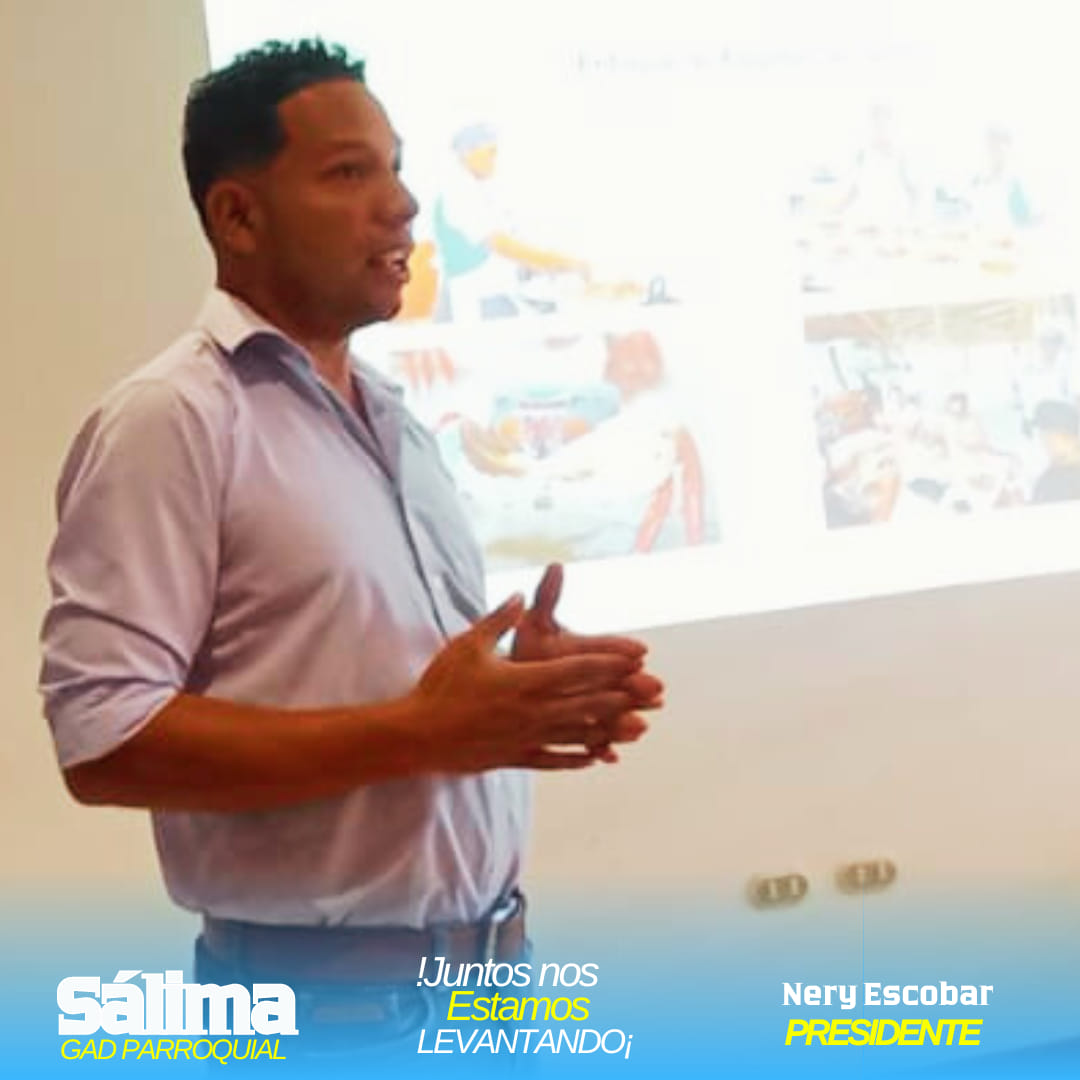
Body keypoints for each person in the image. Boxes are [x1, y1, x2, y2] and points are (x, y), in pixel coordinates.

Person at [38, 39, 662, 1059]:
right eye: (348, 173)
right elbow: (104, 739)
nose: (403, 206)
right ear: (237, 216)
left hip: (495, 989)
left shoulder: (393, 417)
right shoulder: (172, 420)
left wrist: (514, 685)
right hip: (328, 1023)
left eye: (397, 168)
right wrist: (422, 732)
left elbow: (360, 668)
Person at [432, 122, 589, 321]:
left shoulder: (484, 191)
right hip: (472, 299)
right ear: (467, 153)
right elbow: (502, 245)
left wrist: (543, 265)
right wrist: (560, 262)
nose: (494, 159)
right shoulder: (458, 193)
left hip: (494, 296)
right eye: (489, 152)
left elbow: (514, 241)